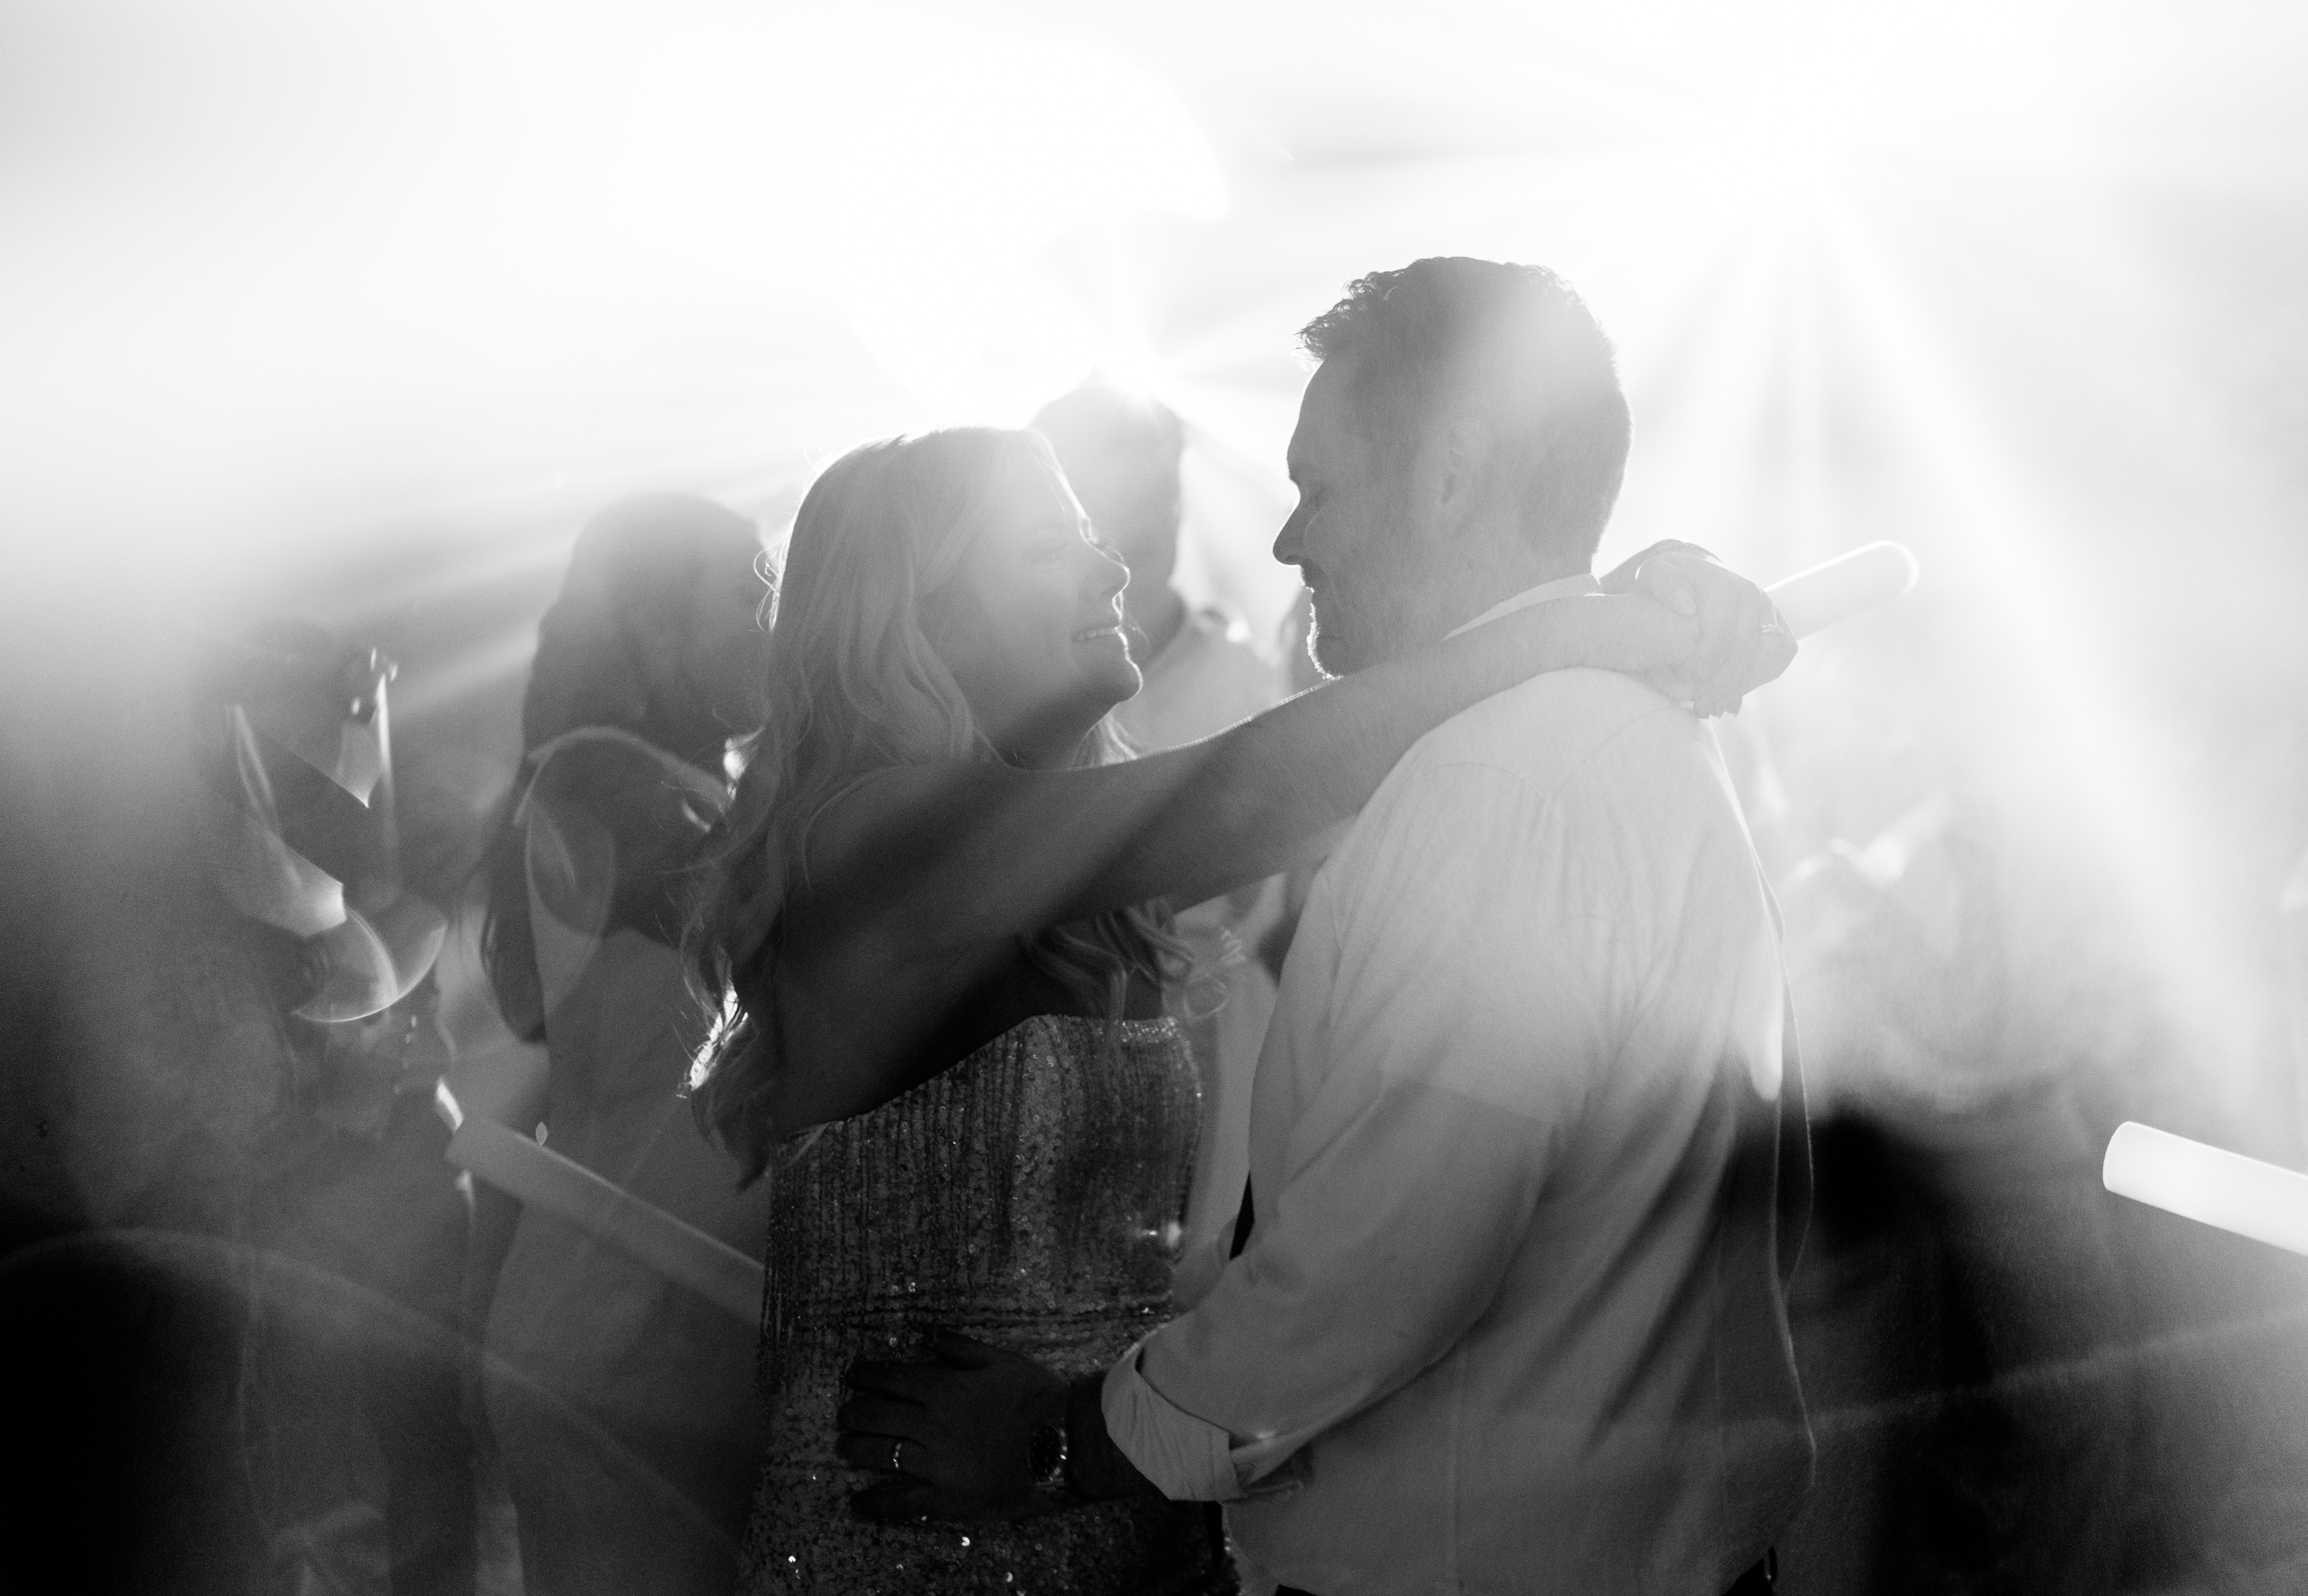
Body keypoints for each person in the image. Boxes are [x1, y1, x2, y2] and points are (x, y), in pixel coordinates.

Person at [686, 412, 1793, 1592]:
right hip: (913, 1528)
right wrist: (1582, 627)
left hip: (1113, 1506)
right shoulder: (869, 839)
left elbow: (1362, 765)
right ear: (914, 611)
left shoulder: (1089, 884)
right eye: (1043, 546)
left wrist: (1621, 596)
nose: (1109, 564)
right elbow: (1259, 786)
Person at [475, 493, 775, 1595]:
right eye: (749, 589)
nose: (775, 617)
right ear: (653, 626)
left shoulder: (704, 787)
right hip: (612, 1329)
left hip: (681, 1314)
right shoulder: (598, 776)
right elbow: (770, 931)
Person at [1032, 380, 1286, 1258]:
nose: (1137, 530)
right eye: (1103, 502)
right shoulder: (999, 680)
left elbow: (1264, 897)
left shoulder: (1251, 689)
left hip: (1205, 1055)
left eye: (1160, 498)